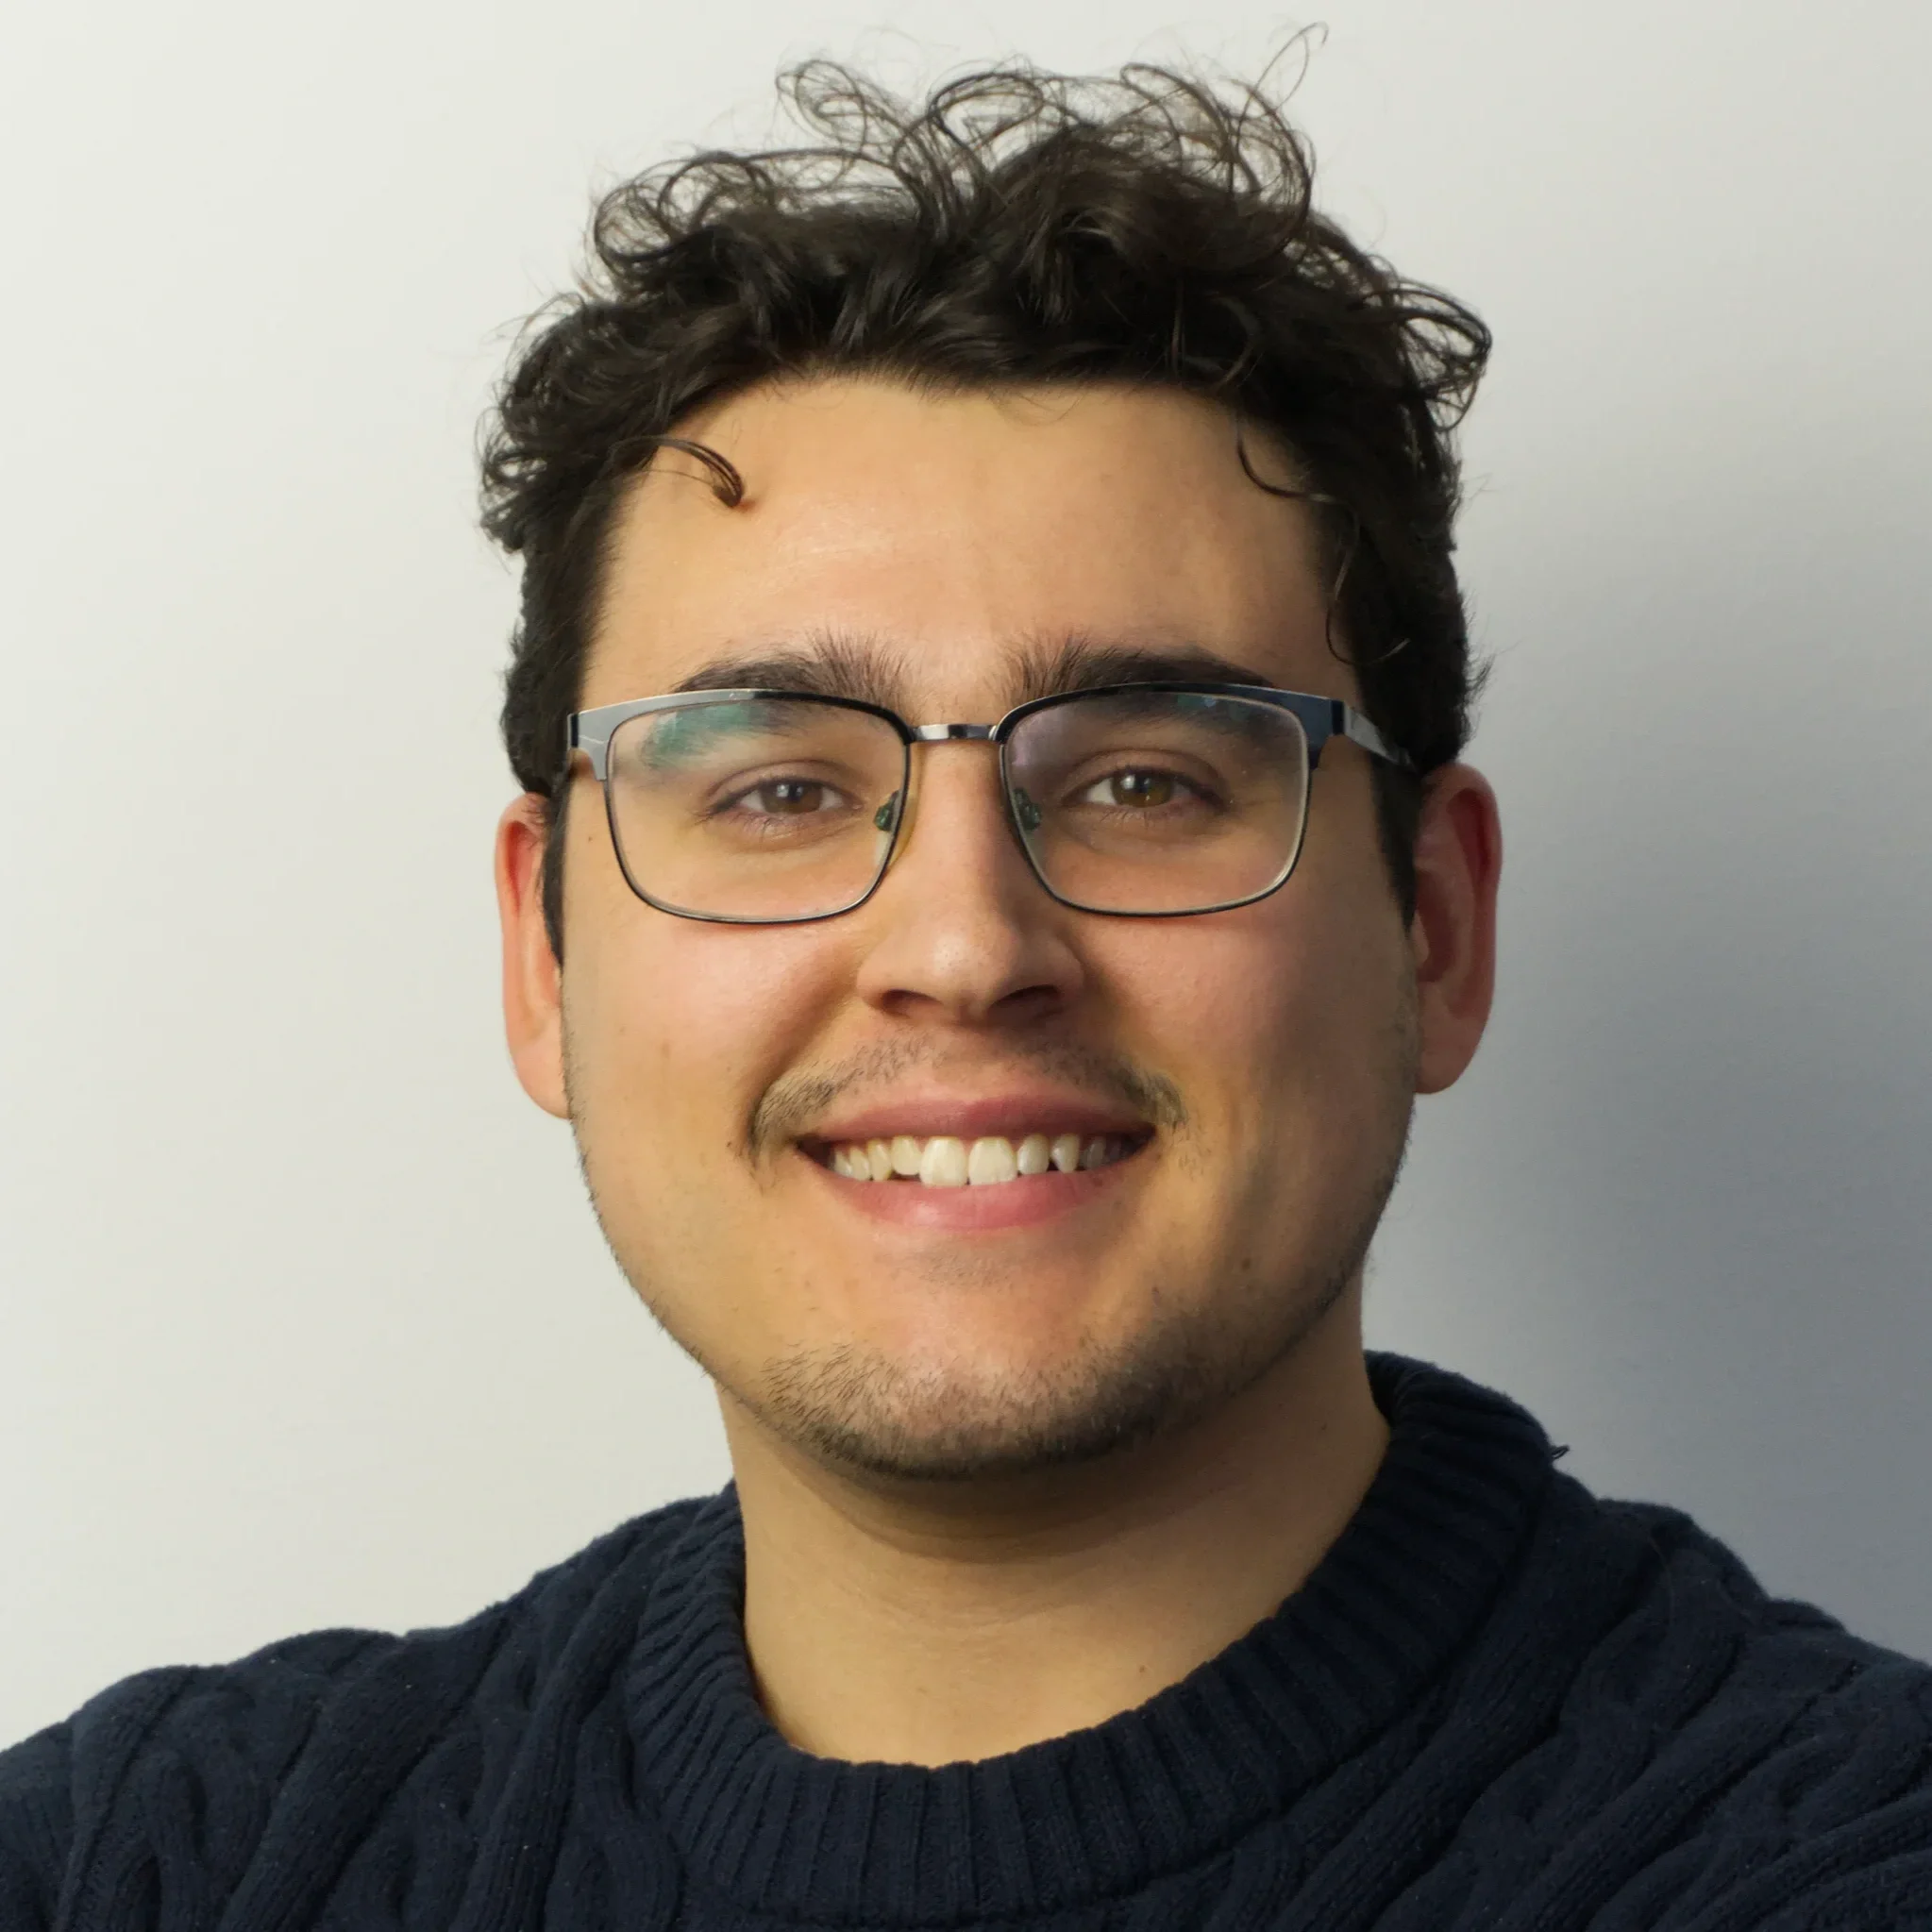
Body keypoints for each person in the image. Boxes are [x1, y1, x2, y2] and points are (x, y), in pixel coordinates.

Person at [4, 57, 1928, 1932]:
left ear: (1433, 927)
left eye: (1145, 783)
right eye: (777, 790)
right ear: (543, 953)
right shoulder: (134, 1865)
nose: (962, 948)